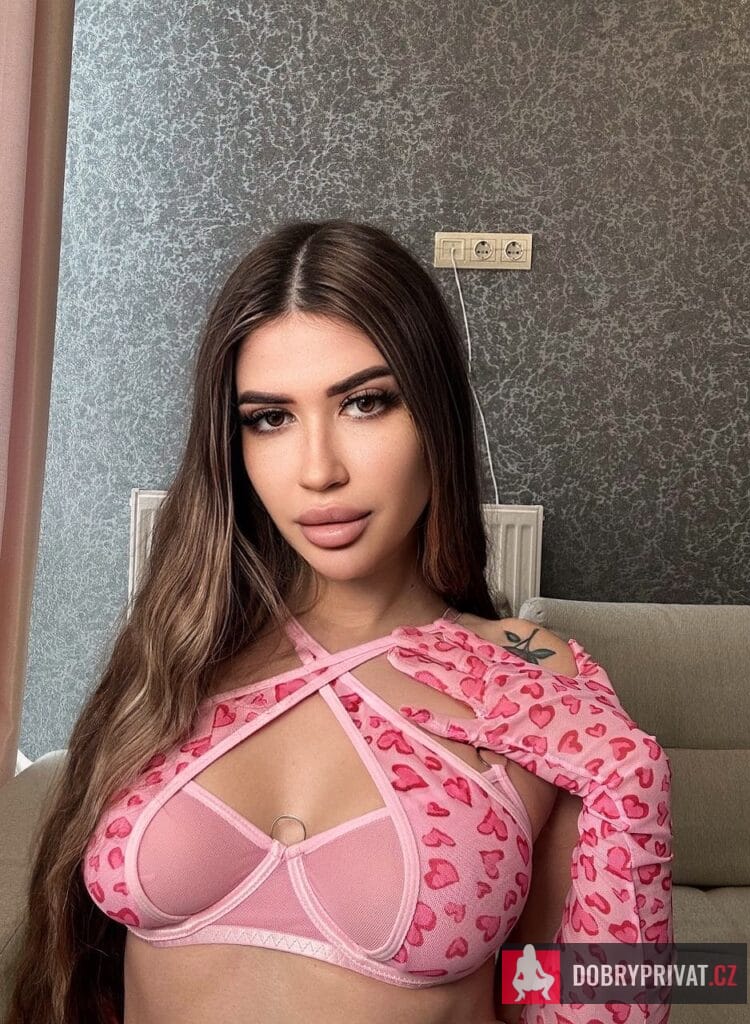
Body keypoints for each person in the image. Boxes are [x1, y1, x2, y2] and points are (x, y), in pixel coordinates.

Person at [8, 219, 673, 1024]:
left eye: (365, 403)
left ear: (434, 416)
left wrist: (631, 787)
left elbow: (554, 994)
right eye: (269, 417)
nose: (318, 470)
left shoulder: (529, 674)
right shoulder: (181, 650)